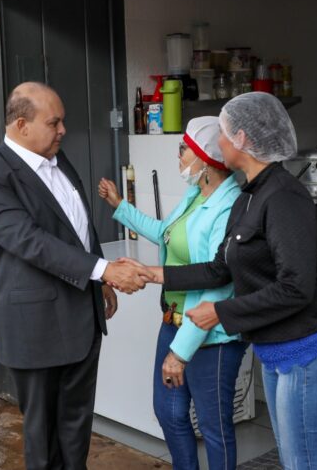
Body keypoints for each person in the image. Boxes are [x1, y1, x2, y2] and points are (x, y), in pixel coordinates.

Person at [133, 93, 317, 470]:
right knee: (292, 460)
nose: (217, 143)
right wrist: (153, 274)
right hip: (277, 352)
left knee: (304, 464)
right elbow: (220, 269)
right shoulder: (248, 197)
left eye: (221, 133)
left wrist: (219, 311)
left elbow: (295, 288)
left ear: (242, 139)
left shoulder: (283, 196)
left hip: (309, 356)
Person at [0, 82, 150, 470]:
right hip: (36, 328)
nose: (63, 130)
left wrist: (99, 283)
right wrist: (105, 270)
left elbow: (79, 227)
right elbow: (31, 242)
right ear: (21, 125)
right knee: (44, 436)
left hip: (82, 317)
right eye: (54, 123)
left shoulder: (57, 157)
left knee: (76, 424)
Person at [97, 117, 247, 470]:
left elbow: (215, 280)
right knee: (169, 412)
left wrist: (179, 352)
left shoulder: (229, 206)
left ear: (205, 160)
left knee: (214, 426)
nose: (179, 156)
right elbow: (165, 232)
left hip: (212, 334)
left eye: (184, 150)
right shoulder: (196, 195)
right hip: (174, 322)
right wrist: (121, 206)